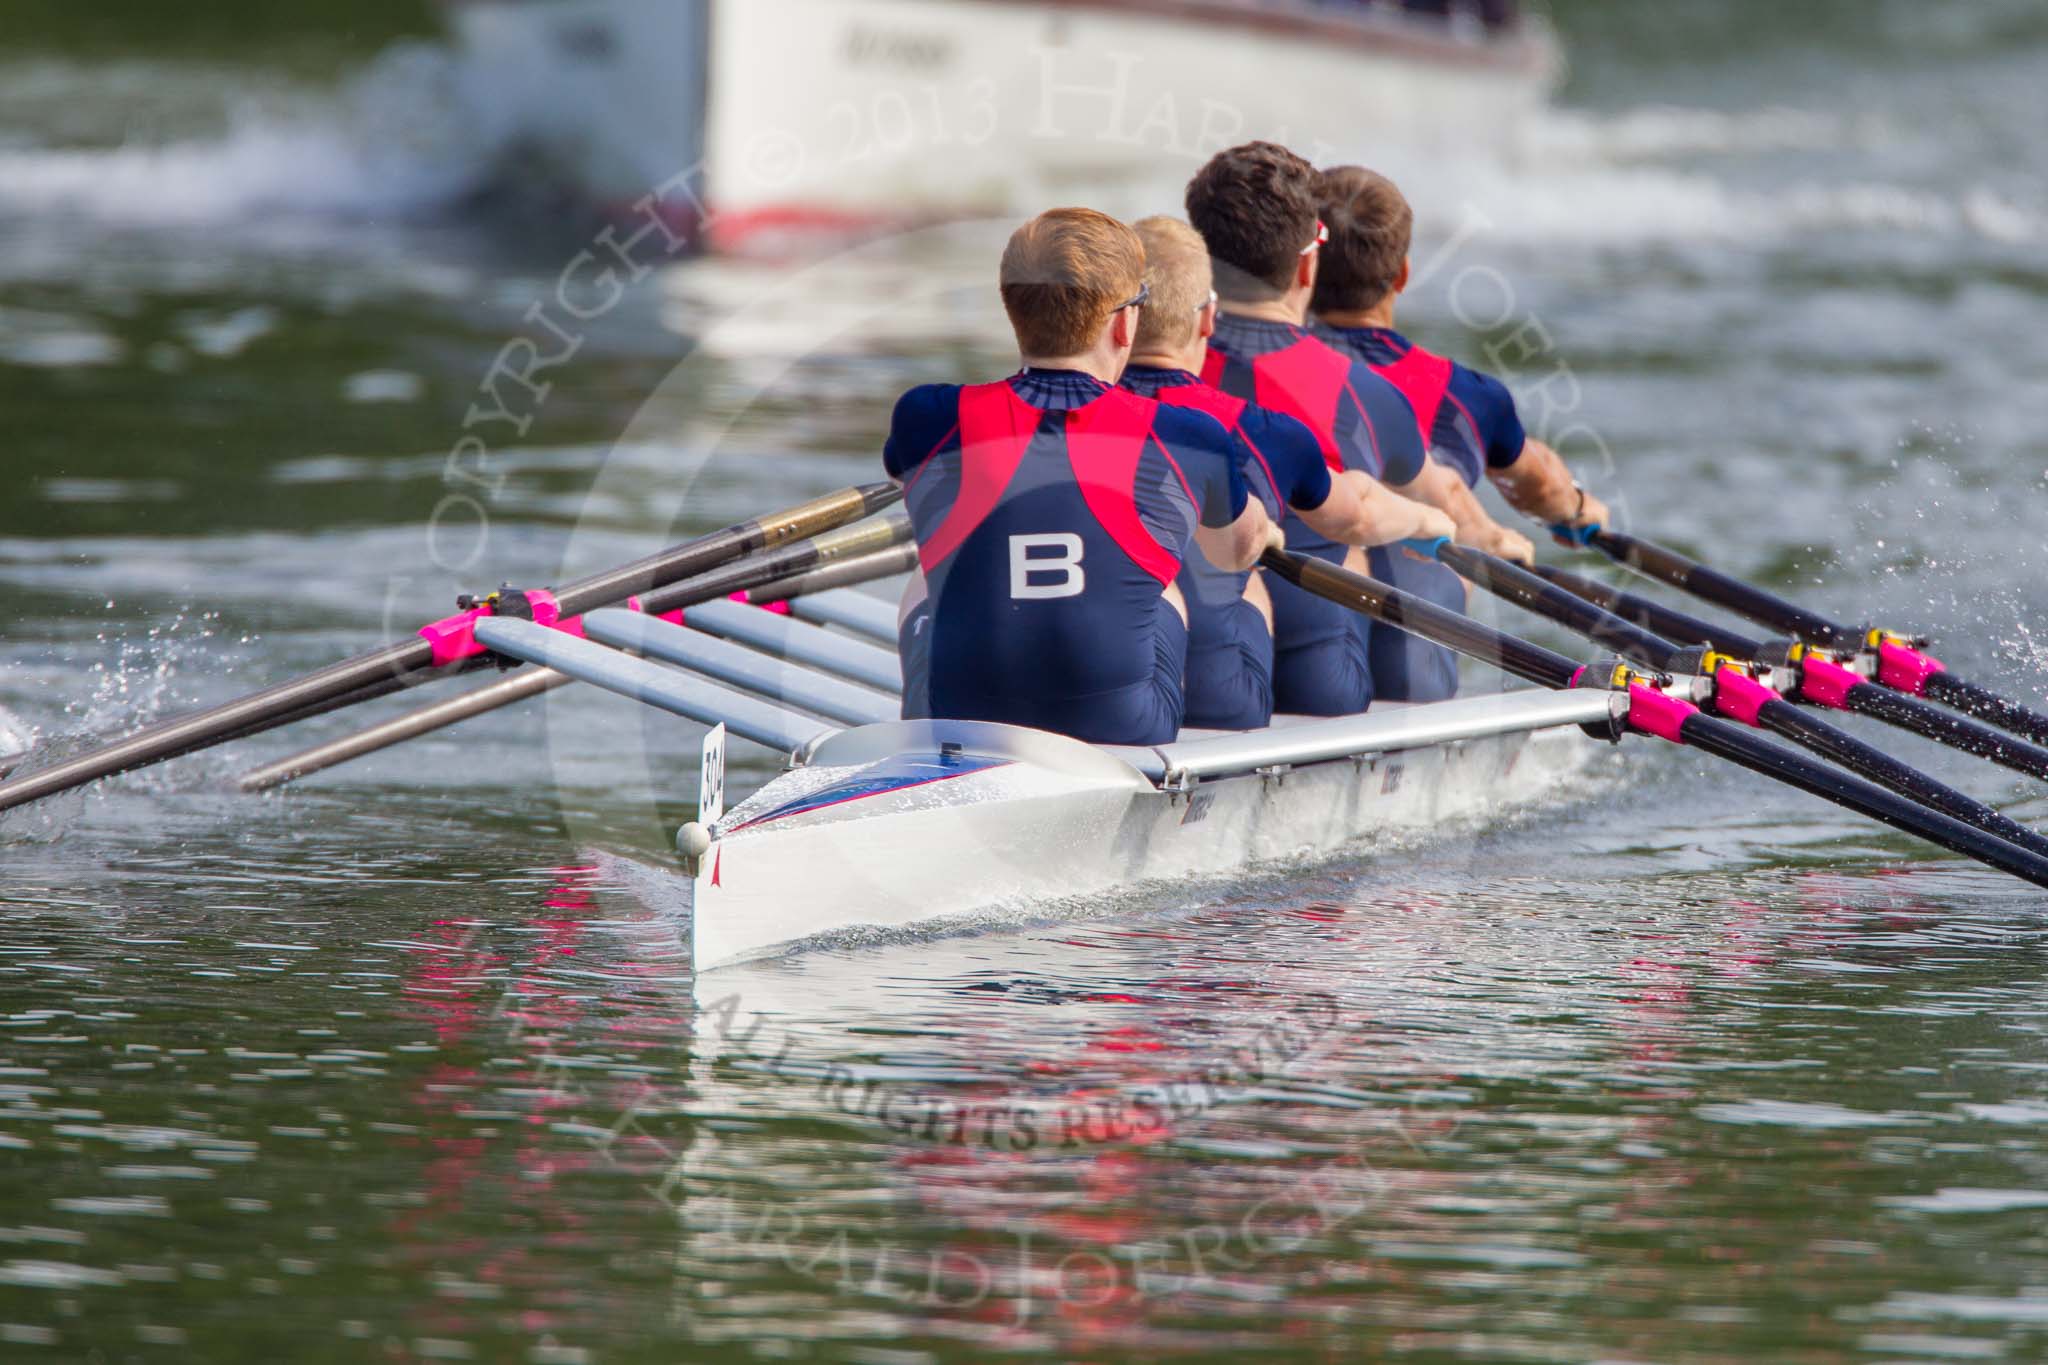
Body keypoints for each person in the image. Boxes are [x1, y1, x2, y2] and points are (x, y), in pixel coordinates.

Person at [884, 207, 1272, 746]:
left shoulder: (926, 416)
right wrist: (1265, 532)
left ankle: (921, 724)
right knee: (1184, 580)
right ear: (1123, 322)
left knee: (929, 572)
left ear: (1013, 311)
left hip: (963, 713)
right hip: (1121, 725)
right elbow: (1236, 548)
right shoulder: (1188, 435)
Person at [1184, 140, 1487, 718]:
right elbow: (1443, 496)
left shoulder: (1148, 379)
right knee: (1423, 557)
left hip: (1179, 669)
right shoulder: (1367, 394)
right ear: (1307, 265)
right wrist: (1495, 542)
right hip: (1315, 680)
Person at [1120, 215, 1441, 730]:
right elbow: (1357, 516)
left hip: (1100, 680)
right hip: (1227, 692)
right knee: (1348, 551)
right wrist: (1430, 524)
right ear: (1208, 320)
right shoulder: (1269, 430)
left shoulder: (1060, 423)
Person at [1312, 164, 1610, 700]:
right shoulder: (1469, 397)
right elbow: (1538, 484)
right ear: (1402, 274)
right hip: (1412, 676)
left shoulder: (1256, 374)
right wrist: (1576, 510)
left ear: (1302, 269)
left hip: (1288, 662)